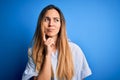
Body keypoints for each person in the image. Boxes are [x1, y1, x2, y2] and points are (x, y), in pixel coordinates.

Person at [22, 4, 92, 80]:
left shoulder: (75, 50)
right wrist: (47, 54)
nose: (51, 24)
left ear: (61, 24)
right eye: (46, 19)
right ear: (41, 24)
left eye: (56, 20)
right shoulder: (33, 52)